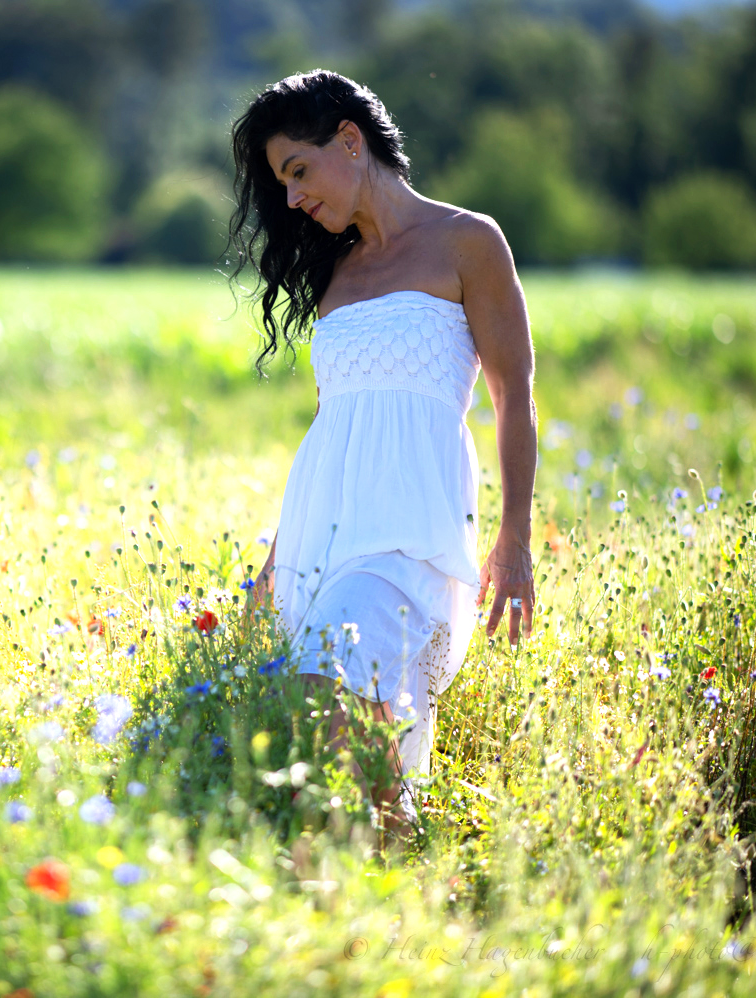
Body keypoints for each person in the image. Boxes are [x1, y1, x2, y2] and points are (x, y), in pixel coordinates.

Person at [227, 70, 538, 836]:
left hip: (411, 529)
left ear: (350, 140)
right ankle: (398, 866)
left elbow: (515, 397)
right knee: (328, 732)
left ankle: (394, 857)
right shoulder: (335, 271)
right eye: (282, 184)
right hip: (325, 533)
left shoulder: (468, 241)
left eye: (298, 171)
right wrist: (274, 561)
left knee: (326, 689)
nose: (292, 198)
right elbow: (338, 428)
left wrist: (517, 536)